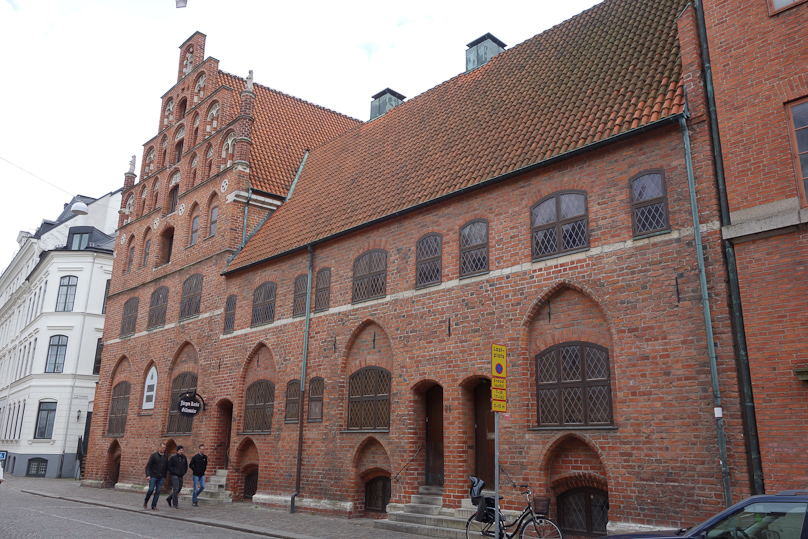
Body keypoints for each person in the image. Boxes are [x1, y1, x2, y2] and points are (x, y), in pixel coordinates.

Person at [143, 443, 168, 510]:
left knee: (158, 491)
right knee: (151, 489)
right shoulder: (154, 455)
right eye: (162, 447)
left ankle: (154, 505)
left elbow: (166, 466)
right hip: (153, 476)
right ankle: (146, 501)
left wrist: (165, 475)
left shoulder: (165, 456)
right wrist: (148, 475)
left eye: (164, 448)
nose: (163, 449)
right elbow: (148, 466)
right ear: (159, 447)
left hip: (161, 476)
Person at [165, 445, 188, 509]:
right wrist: (173, 471)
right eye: (180, 450)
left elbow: (186, 466)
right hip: (174, 475)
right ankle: (175, 504)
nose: (181, 451)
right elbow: (169, 466)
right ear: (177, 451)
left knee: (179, 489)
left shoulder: (184, 457)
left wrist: (184, 472)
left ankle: (169, 498)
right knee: (175, 489)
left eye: (182, 450)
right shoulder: (173, 457)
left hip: (181, 475)